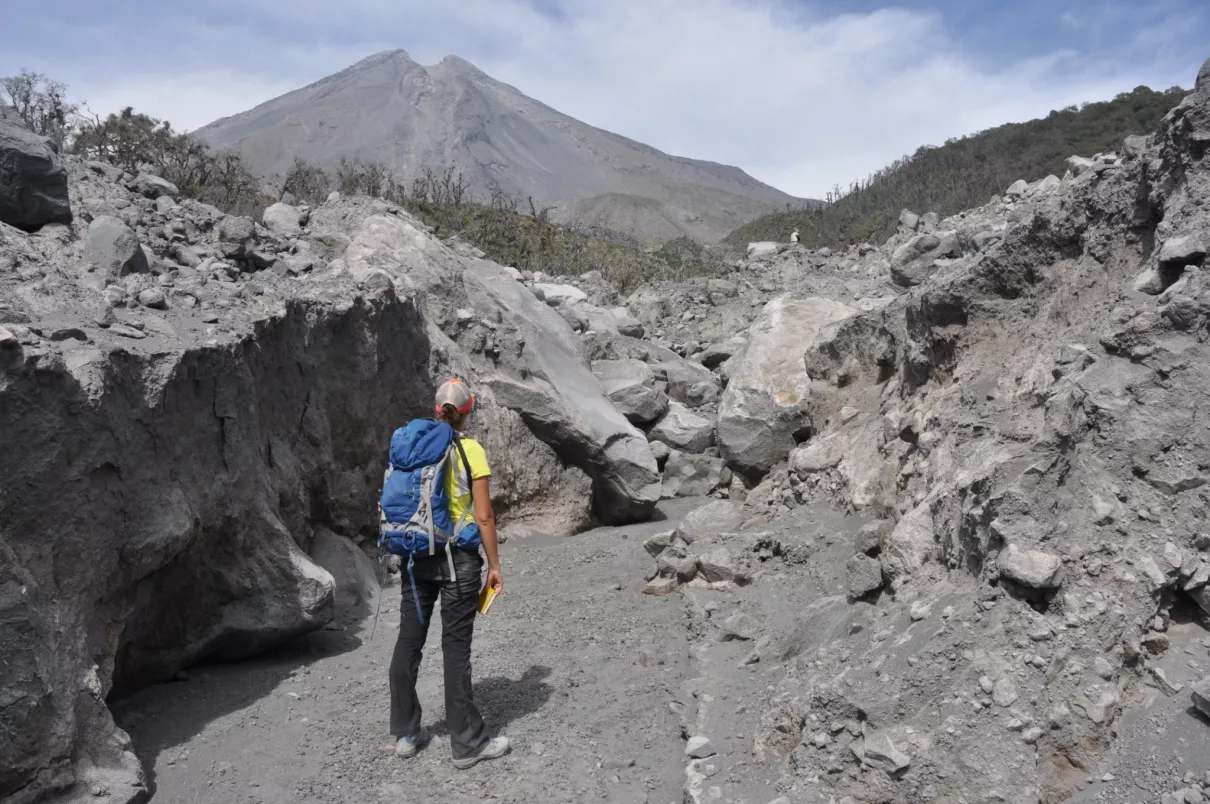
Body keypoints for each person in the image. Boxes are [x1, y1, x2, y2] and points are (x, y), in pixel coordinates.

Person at [389, 379, 509, 769]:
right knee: (455, 649)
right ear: (467, 411)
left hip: (415, 556)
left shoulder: (411, 443)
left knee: (409, 641)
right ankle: (467, 744)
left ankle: (407, 734)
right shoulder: (470, 449)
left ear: (436, 408)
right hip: (458, 559)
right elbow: (484, 515)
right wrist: (494, 565)